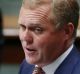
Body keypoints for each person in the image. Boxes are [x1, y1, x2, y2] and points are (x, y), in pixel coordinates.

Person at [18, 0, 80, 74]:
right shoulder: (27, 66)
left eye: (37, 30)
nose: (25, 38)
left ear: (67, 31)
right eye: (23, 27)